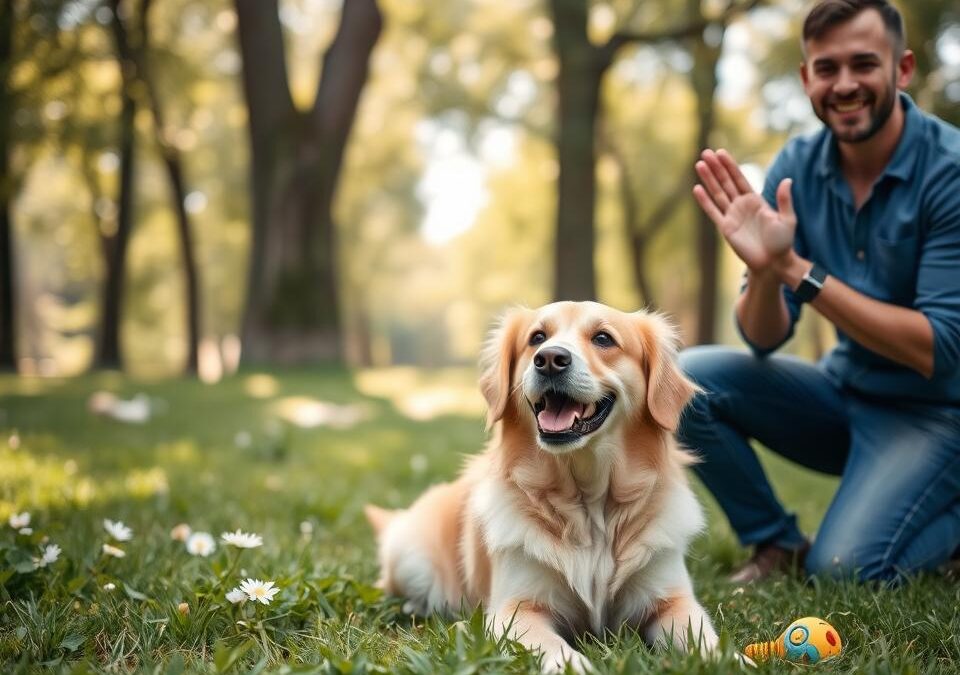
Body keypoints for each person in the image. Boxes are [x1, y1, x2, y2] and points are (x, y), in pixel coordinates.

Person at [681, 0, 960, 584]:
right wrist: (763, 271)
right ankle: (776, 543)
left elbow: (938, 349)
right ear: (808, 78)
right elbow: (763, 337)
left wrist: (797, 270)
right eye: (827, 68)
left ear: (902, 69)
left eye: (864, 64)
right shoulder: (797, 167)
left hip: (934, 413)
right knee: (683, 381)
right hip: (844, 389)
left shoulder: (949, 171)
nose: (845, 84)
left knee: (846, 569)